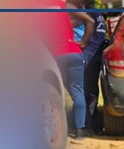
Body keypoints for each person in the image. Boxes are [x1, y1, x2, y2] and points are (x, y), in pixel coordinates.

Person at [37, 0, 94, 139]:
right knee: (78, 92)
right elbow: (90, 21)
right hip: (74, 51)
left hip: (55, 55)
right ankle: (80, 130)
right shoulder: (64, 6)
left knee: (57, 91)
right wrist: (83, 42)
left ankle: (59, 127)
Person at [72, 0, 108, 131]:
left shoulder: (88, 13)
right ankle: (91, 119)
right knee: (92, 87)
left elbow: (76, 23)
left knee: (83, 87)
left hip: (90, 53)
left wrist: (82, 42)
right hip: (97, 53)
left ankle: (86, 121)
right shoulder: (99, 14)